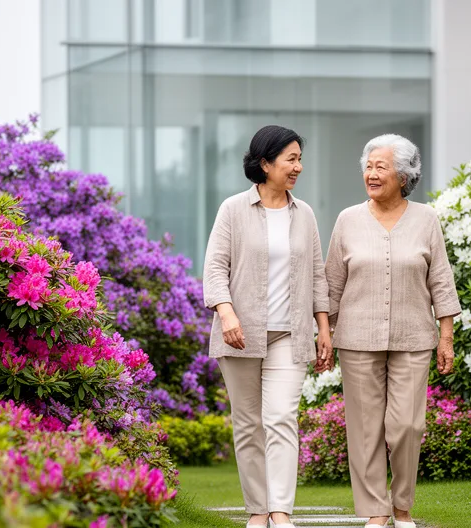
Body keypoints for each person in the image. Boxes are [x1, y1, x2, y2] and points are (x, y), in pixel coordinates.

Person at [322, 134, 460, 528]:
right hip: (357, 338)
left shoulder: (426, 219)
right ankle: (377, 512)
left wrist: (446, 337)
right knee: (365, 430)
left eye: (380, 167)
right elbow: (332, 284)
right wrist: (325, 332)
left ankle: (402, 506)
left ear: (403, 176)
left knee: (407, 426)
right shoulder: (348, 220)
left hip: (413, 337)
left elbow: (441, 281)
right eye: (368, 167)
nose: (371, 174)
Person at [203, 125, 331, 528]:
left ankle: (281, 511)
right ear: (265, 163)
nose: (298, 167)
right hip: (240, 334)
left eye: (299, 159)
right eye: (291, 159)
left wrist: (324, 329)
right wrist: (227, 314)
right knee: (247, 424)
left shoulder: (304, 213)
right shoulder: (233, 210)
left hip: (290, 334)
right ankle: (258, 511)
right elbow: (215, 268)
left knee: (281, 418)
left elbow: (317, 275)